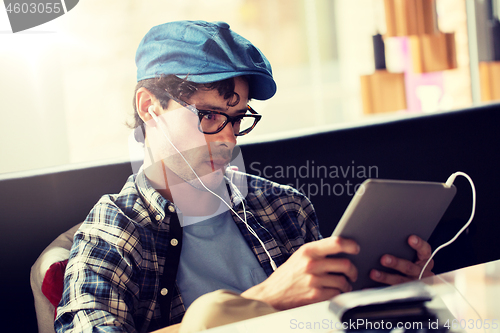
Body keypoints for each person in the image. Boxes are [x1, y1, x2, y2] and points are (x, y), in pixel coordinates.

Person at [55, 20, 434, 333]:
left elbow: (333, 322)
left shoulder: (285, 207)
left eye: (237, 119)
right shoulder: (115, 232)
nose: (227, 138)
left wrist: (387, 294)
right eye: (209, 116)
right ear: (150, 107)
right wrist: (263, 301)